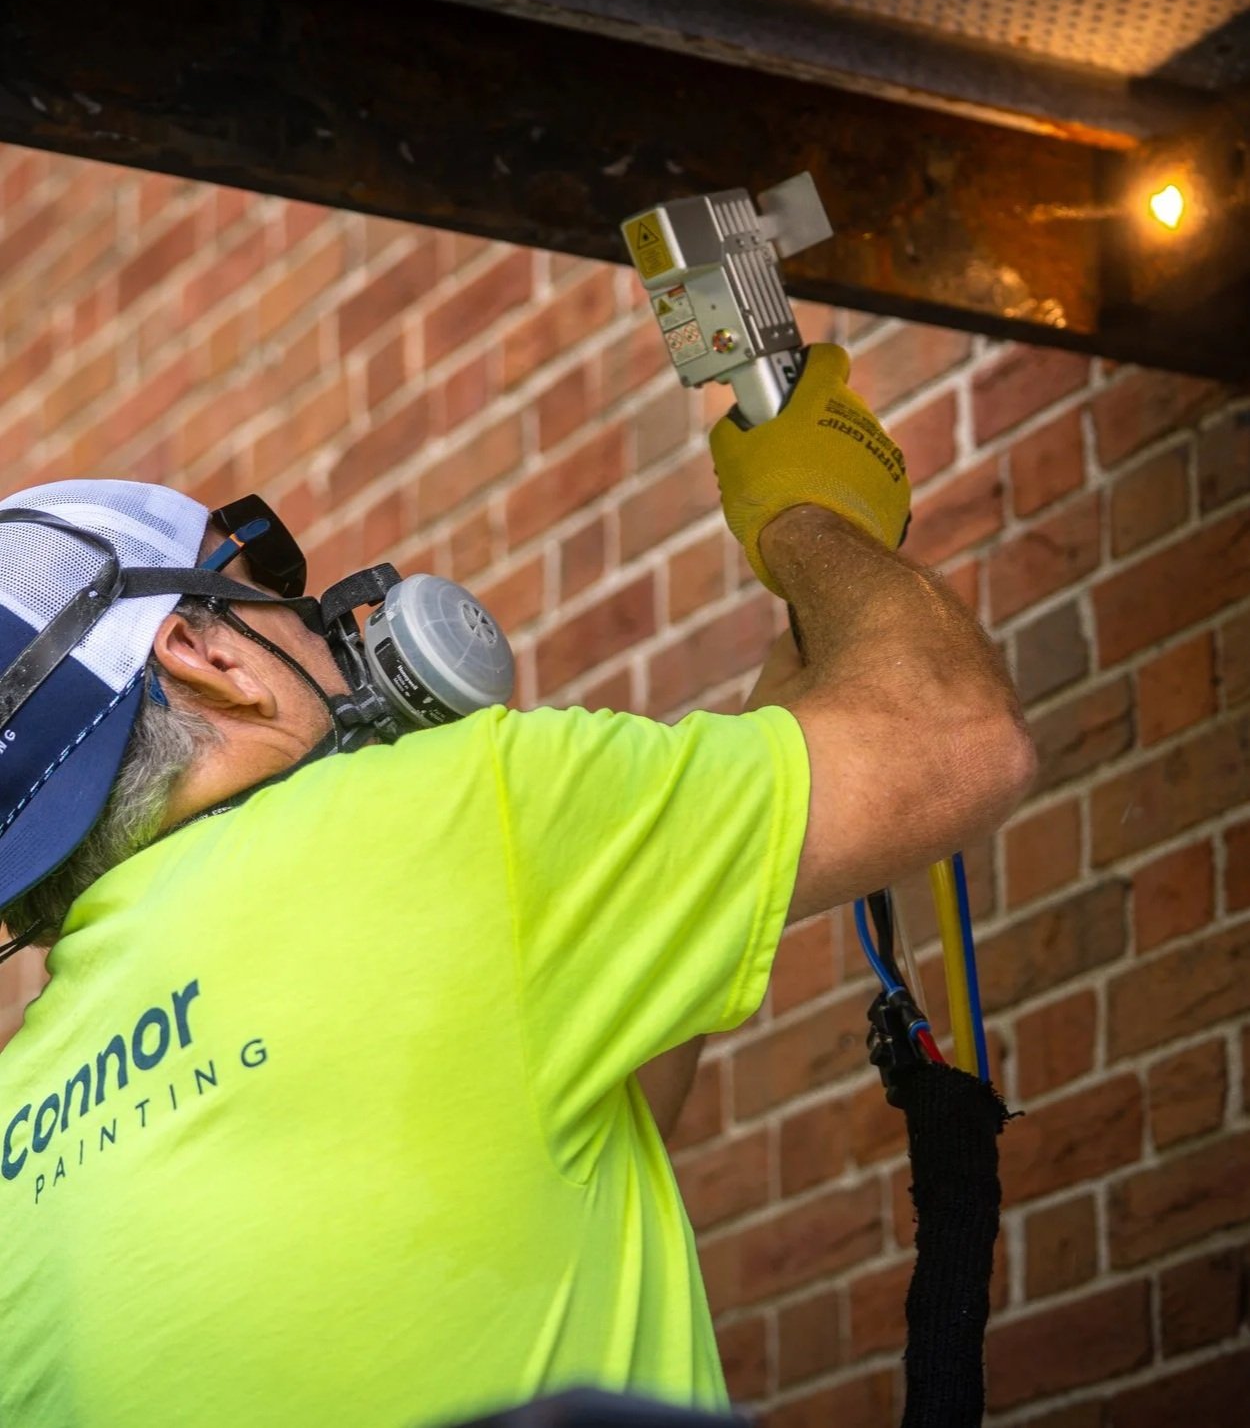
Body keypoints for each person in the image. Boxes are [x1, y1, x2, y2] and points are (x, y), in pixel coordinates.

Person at [0, 344, 1034, 1427]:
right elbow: (955, 740)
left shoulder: (22, 1124)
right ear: (207, 658)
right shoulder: (443, 815)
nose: (319, 622)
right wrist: (809, 515)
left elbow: (592, 1095)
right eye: (270, 590)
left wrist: (801, 653)